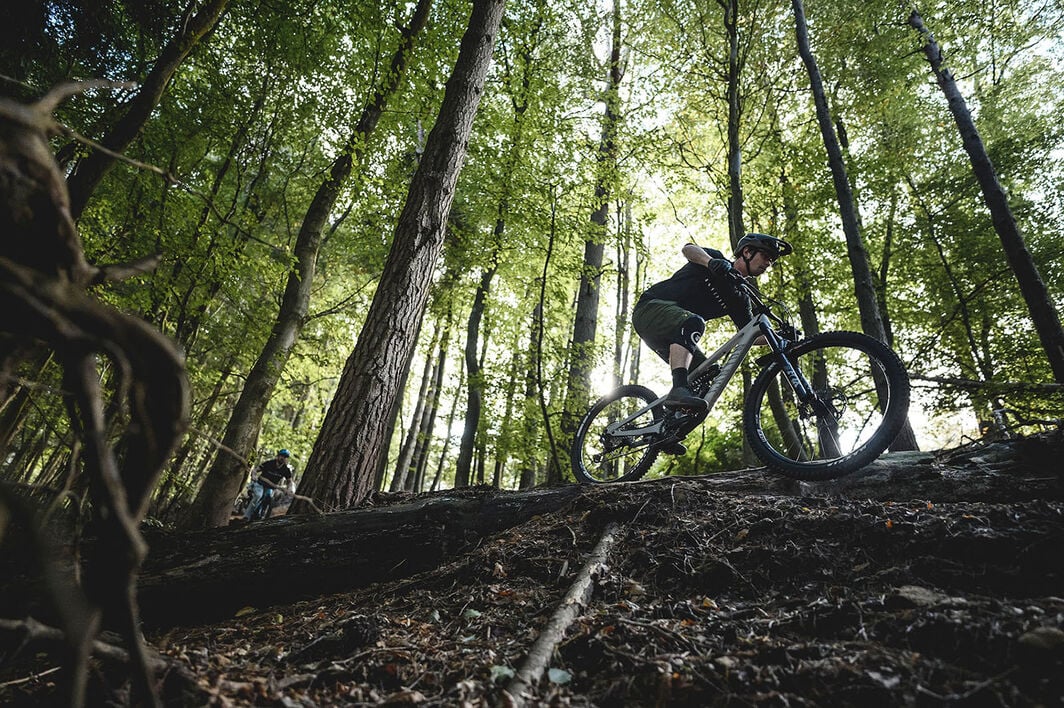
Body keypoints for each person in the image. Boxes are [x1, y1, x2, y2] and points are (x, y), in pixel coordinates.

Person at [631, 233, 793, 453]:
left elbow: (751, 335)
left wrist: (781, 337)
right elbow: (688, 249)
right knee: (693, 322)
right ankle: (679, 388)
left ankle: (666, 432)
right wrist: (711, 262)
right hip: (651, 309)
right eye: (765, 256)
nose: (767, 263)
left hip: (677, 333)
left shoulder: (740, 297)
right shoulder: (716, 260)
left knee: (708, 378)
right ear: (747, 252)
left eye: (771, 261)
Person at [243, 449, 294, 521]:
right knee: (258, 495)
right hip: (260, 484)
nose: (283, 458)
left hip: (270, 488)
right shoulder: (269, 463)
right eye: (282, 456)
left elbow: (289, 481)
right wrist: (253, 476)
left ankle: (261, 516)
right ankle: (246, 517)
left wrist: (289, 489)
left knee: (268, 498)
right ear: (278, 456)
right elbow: (255, 470)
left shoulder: (286, 469)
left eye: (285, 457)